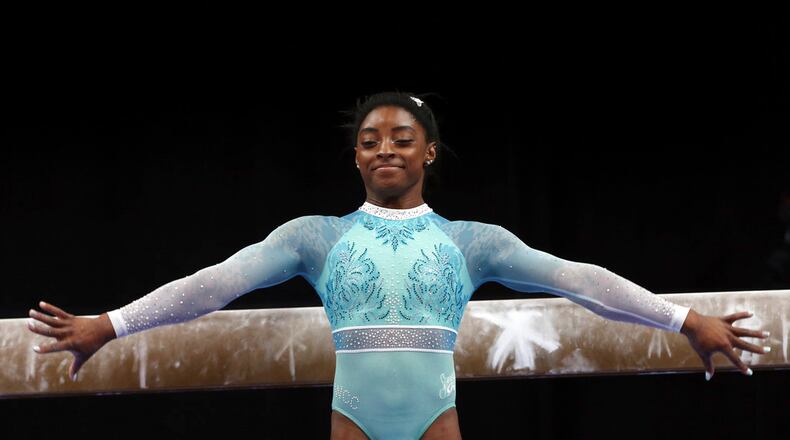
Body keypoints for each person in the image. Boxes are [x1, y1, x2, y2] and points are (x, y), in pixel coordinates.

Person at [27, 91, 772, 440]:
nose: (386, 148)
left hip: (435, 422)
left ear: (428, 152)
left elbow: (578, 280)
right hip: (352, 421)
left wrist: (685, 319)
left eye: (402, 137)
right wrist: (111, 325)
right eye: (372, 139)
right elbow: (215, 285)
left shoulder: (472, 241)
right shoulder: (313, 238)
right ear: (355, 156)